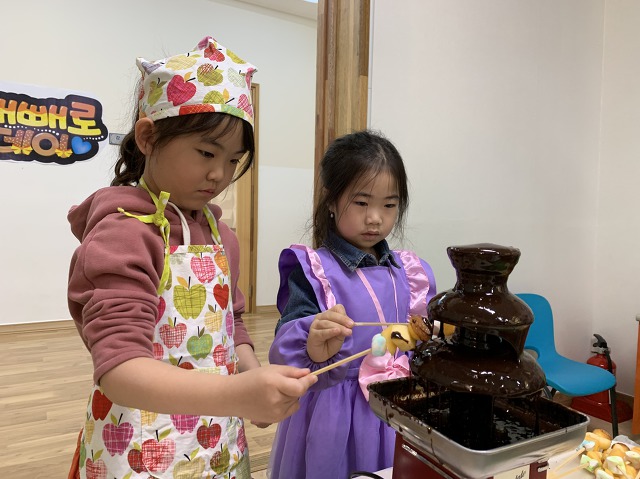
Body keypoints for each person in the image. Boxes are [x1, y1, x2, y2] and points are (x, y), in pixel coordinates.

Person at [66, 36, 316, 479]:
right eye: (206, 153)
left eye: (233, 160)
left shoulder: (223, 237)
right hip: (140, 449)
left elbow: (232, 323)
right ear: (148, 137)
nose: (219, 174)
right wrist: (238, 394)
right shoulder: (125, 232)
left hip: (217, 444)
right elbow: (118, 369)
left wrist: (254, 380)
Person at [267, 130, 437, 478]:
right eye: (361, 203)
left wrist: (430, 337)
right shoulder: (316, 270)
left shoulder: (409, 271)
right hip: (335, 412)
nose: (375, 217)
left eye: (389, 205)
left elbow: (414, 337)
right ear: (331, 201)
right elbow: (287, 348)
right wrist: (313, 341)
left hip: (396, 405)